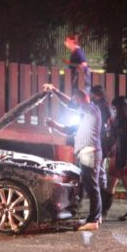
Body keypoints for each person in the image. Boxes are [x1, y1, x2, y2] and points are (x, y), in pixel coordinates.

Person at [43, 83, 102, 231]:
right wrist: (53, 124)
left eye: (76, 100)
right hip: (87, 152)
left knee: (92, 186)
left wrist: (56, 90)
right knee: (91, 185)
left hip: (90, 152)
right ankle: (95, 217)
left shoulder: (91, 109)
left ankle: (94, 221)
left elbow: (70, 104)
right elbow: (69, 130)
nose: (74, 102)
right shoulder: (86, 116)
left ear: (82, 99)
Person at [105, 96, 127, 221]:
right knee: (111, 182)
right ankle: (103, 211)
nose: (113, 109)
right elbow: (112, 137)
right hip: (117, 154)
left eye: (115, 107)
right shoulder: (115, 120)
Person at [91, 85, 113, 217]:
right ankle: (100, 200)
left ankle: (102, 200)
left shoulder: (103, 107)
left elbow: (103, 123)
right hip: (100, 140)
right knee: (99, 170)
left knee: (100, 170)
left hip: (101, 141)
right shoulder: (100, 105)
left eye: (92, 94)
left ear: (97, 94)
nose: (91, 96)